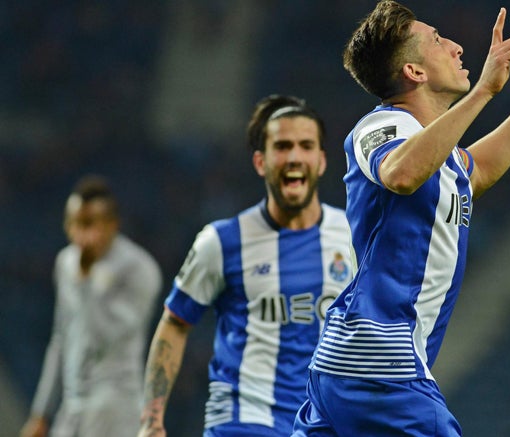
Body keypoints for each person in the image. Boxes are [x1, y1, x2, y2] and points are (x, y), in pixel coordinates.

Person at [293, 1, 510, 436]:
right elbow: (402, 173)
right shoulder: (381, 127)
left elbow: (475, 170)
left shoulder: (438, 154)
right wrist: (484, 91)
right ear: (414, 72)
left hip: (358, 364)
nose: (458, 47)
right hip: (378, 361)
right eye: (438, 40)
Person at [137, 95, 355, 437]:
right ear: (260, 162)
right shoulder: (222, 241)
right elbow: (175, 323)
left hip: (327, 425)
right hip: (243, 422)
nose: (294, 157)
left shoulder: (353, 237)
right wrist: (152, 419)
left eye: (305, 146)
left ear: (322, 160)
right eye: (282, 146)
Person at [20, 175, 163, 437]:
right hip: (72, 404)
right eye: (73, 223)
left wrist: (86, 282)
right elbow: (61, 338)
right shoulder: (66, 263)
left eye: (88, 224)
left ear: (112, 225)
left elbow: (106, 338)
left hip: (116, 405)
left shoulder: (138, 269)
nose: (78, 233)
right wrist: (41, 412)